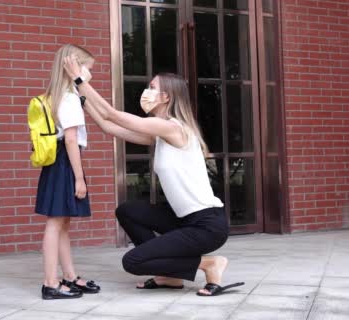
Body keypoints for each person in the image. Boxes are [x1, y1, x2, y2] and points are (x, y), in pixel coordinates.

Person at [63, 56, 244, 296]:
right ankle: (171, 277)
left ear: (166, 97)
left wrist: (79, 79)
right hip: (183, 219)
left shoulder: (173, 128)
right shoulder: (160, 134)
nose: (146, 92)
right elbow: (109, 126)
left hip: (207, 225)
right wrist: (79, 96)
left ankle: (208, 264)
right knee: (128, 211)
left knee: (133, 262)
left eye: (152, 88)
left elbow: (112, 114)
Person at [36, 45, 101, 300]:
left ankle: (69, 277)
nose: (89, 73)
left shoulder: (57, 94)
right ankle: (50, 283)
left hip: (57, 161)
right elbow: (71, 139)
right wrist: (79, 177)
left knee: (62, 223)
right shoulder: (70, 97)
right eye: (88, 68)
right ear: (73, 66)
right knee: (55, 223)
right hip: (65, 160)